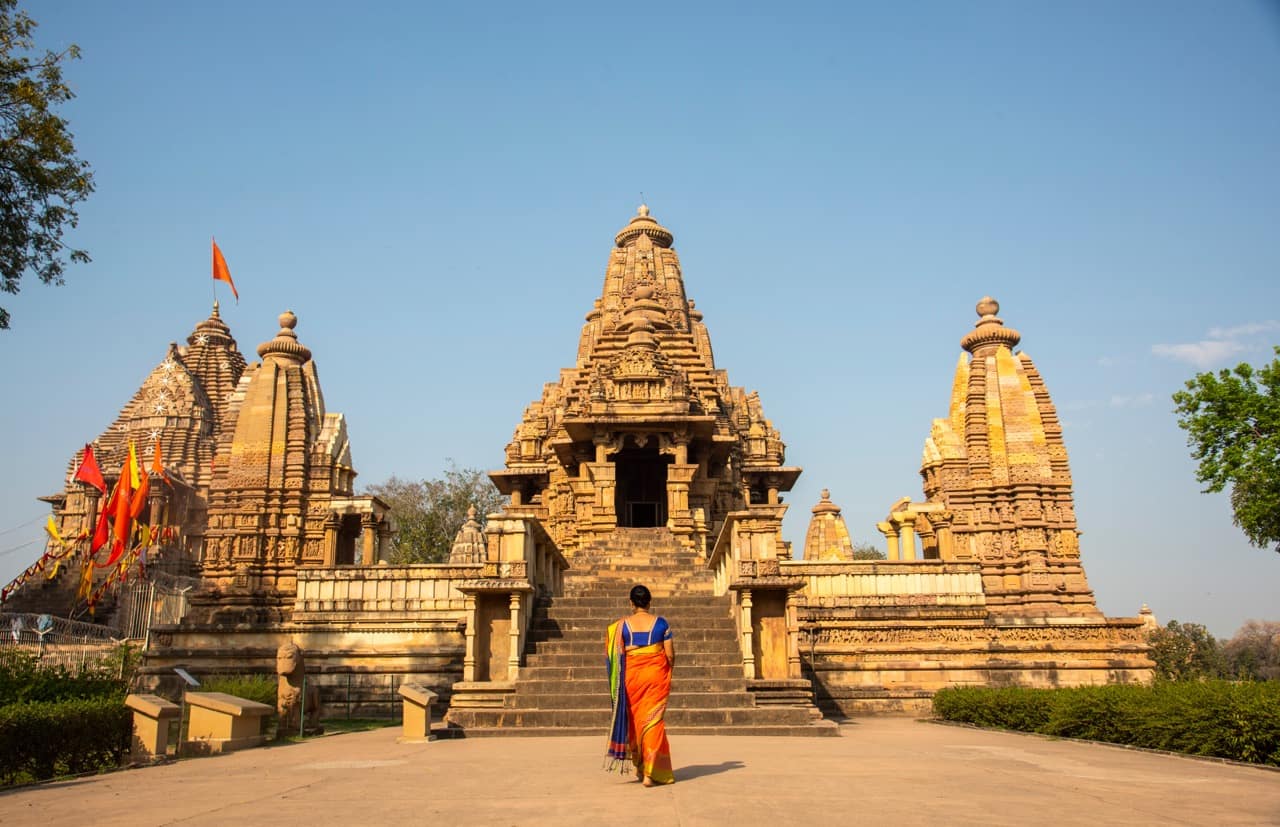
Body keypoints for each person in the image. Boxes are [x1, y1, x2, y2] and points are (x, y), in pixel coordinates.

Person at [605, 583, 675, 786]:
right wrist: (667, 669)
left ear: (631, 603)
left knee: (635, 723)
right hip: (655, 677)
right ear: (649, 602)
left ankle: (640, 767)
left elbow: (617, 654)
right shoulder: (662, 624)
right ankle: (650, 773)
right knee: (654, 722)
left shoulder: (620, 626)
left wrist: (633, 649)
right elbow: (670, 654)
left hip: (632, 678)